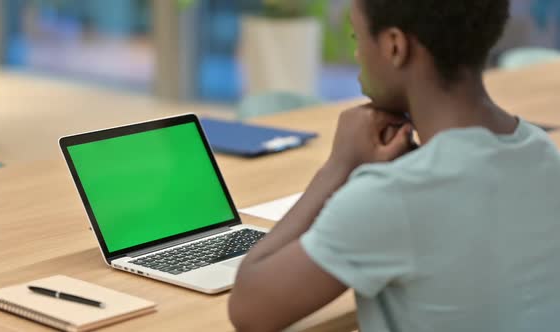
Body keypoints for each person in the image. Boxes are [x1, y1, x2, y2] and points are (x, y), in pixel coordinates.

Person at [228, 0, 560, 331]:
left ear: (394, 47)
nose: (357, 56)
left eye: (357, 38)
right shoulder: (542, 151)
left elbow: (248, 308)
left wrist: (338, 167)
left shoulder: (392, 196)